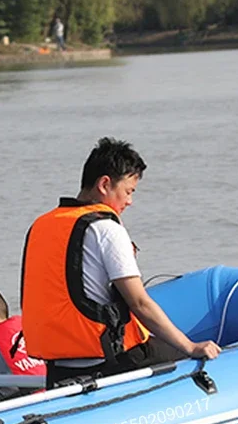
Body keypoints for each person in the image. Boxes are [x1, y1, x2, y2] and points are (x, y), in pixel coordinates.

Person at [21, 137, 220, 385]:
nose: (130, 201)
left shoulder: (41, 225)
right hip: (111, 360)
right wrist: (190, 346)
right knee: (199, 360)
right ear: (105, 184)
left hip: (58, 366)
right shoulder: (105, 228)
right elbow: (139, 303)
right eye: (128, 191)